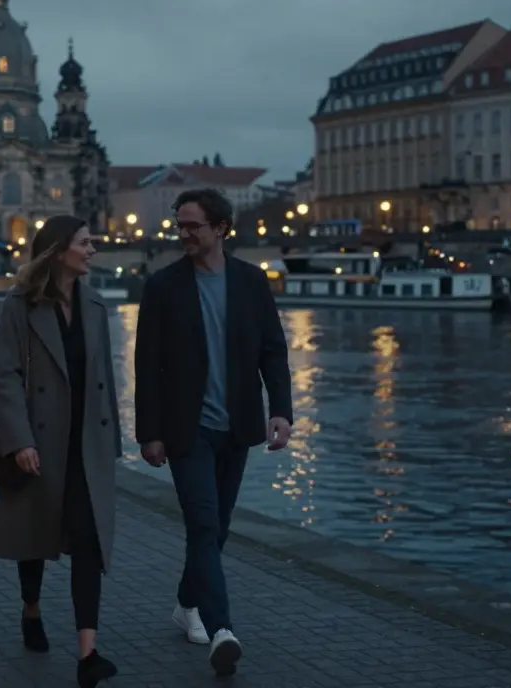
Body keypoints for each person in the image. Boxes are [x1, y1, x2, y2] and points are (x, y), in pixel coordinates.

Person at [133, 188, 293, 676]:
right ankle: (220, 628)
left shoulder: (250, 281)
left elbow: (273, 350)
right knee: (202, 525)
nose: (183, 234)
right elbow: (147, 364)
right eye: (178, 226)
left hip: (237, 424)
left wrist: (281, 410)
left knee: (216, 528)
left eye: (192, 226)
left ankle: (187, 604)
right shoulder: (163, 286)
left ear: (221, 228)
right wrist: (149, 433)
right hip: (186, 429)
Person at [0, 215, 121, 687]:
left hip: (87, 441)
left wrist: (114, 443)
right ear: (59, 249)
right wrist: (18, 439)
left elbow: (105, 380)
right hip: (41, 439)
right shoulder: (20, 305)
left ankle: (88, 654)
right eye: (86, 243)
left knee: (88, 540)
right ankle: (31, 608)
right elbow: (5, 375)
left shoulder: (97, 305)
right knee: (35, 537)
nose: (93, 250)